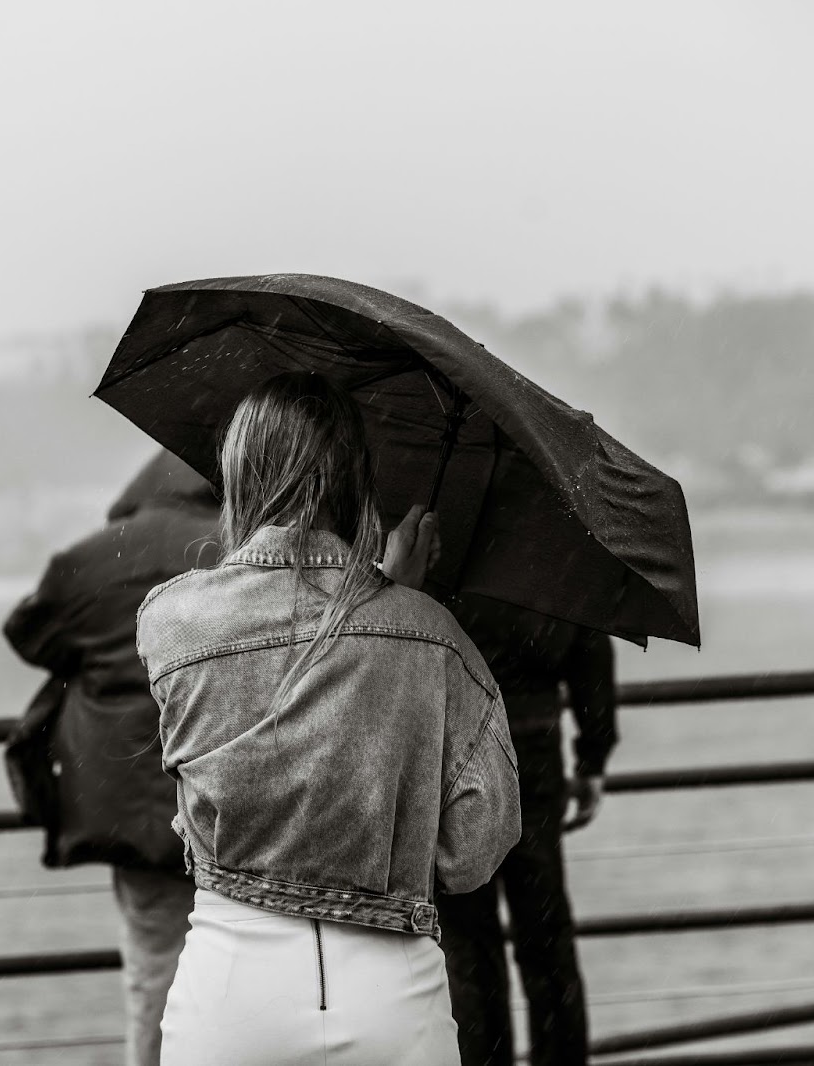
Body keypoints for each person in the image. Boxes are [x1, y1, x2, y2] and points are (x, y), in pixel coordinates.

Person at [136, 371, 522, 1066]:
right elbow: (474, 849)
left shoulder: (173, 620)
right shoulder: (430, 634)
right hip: (391, 989)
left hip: (234, 985)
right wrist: (402, 605)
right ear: (352, 479)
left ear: (240, 472)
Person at [2, 449, 221, 1066]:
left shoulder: (89, 559)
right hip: (232, 792)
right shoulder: (239, 550)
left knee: (155, 965)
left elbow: (31, 635)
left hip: (131, 805)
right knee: (247, 963)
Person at [435, 596, 619, 1066]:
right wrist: (593, 752)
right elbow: (588, 646)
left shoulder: (440, 547)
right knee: (547, 942)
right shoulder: (554, 552)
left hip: (452, 757)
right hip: (533, 752)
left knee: (469, 948)